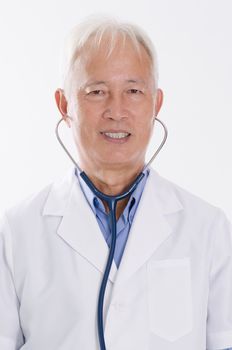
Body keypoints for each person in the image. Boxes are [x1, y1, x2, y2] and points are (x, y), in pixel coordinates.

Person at [0, 16, 232, 350]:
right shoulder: (16, 232)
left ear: (157, 103)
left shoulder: (207, 228)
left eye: (134, 91)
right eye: (97, 92)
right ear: (65, 105)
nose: (117, 111)